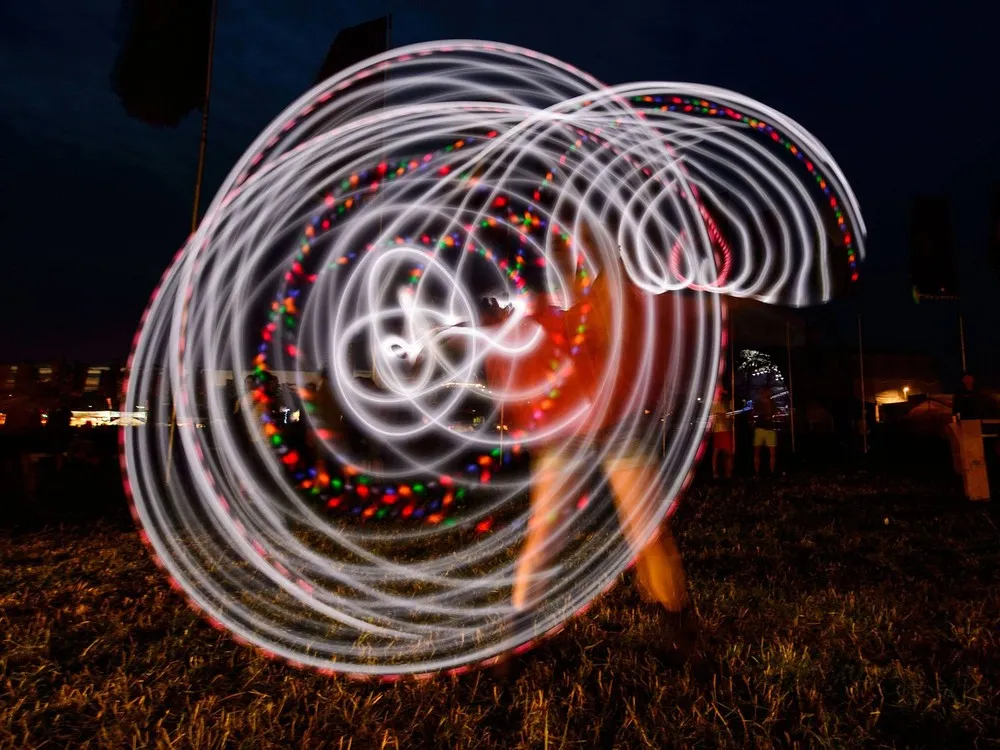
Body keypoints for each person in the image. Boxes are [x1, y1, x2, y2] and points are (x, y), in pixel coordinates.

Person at [483, 220, 692, 632]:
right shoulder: (545, 307)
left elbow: (633, 337)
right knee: (546, 532)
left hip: (616, 423)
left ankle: (678, 626)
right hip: (568, 431)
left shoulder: (608, 299)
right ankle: (517, 633)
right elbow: (523, 360)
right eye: (557, 252)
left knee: (647, 528)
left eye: (571, 250)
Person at [753, 389, 778, 476]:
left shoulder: (772, 402)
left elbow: (774, 412)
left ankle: (772, 471)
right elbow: (755, 412)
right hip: (760, 428)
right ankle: (757, 472)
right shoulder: (758, 403)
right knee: (757, 451)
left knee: (772, 452)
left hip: (769, 429)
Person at [710, 390, 734, 479]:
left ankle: (728, 473)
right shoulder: (715, 405)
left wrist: (725, 416)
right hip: (717, 431)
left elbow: (729, 418)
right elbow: (714, 416)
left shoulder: (727, 405)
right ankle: (715, 472)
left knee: (727, 453)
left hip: (725, 431)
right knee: (716, 453)